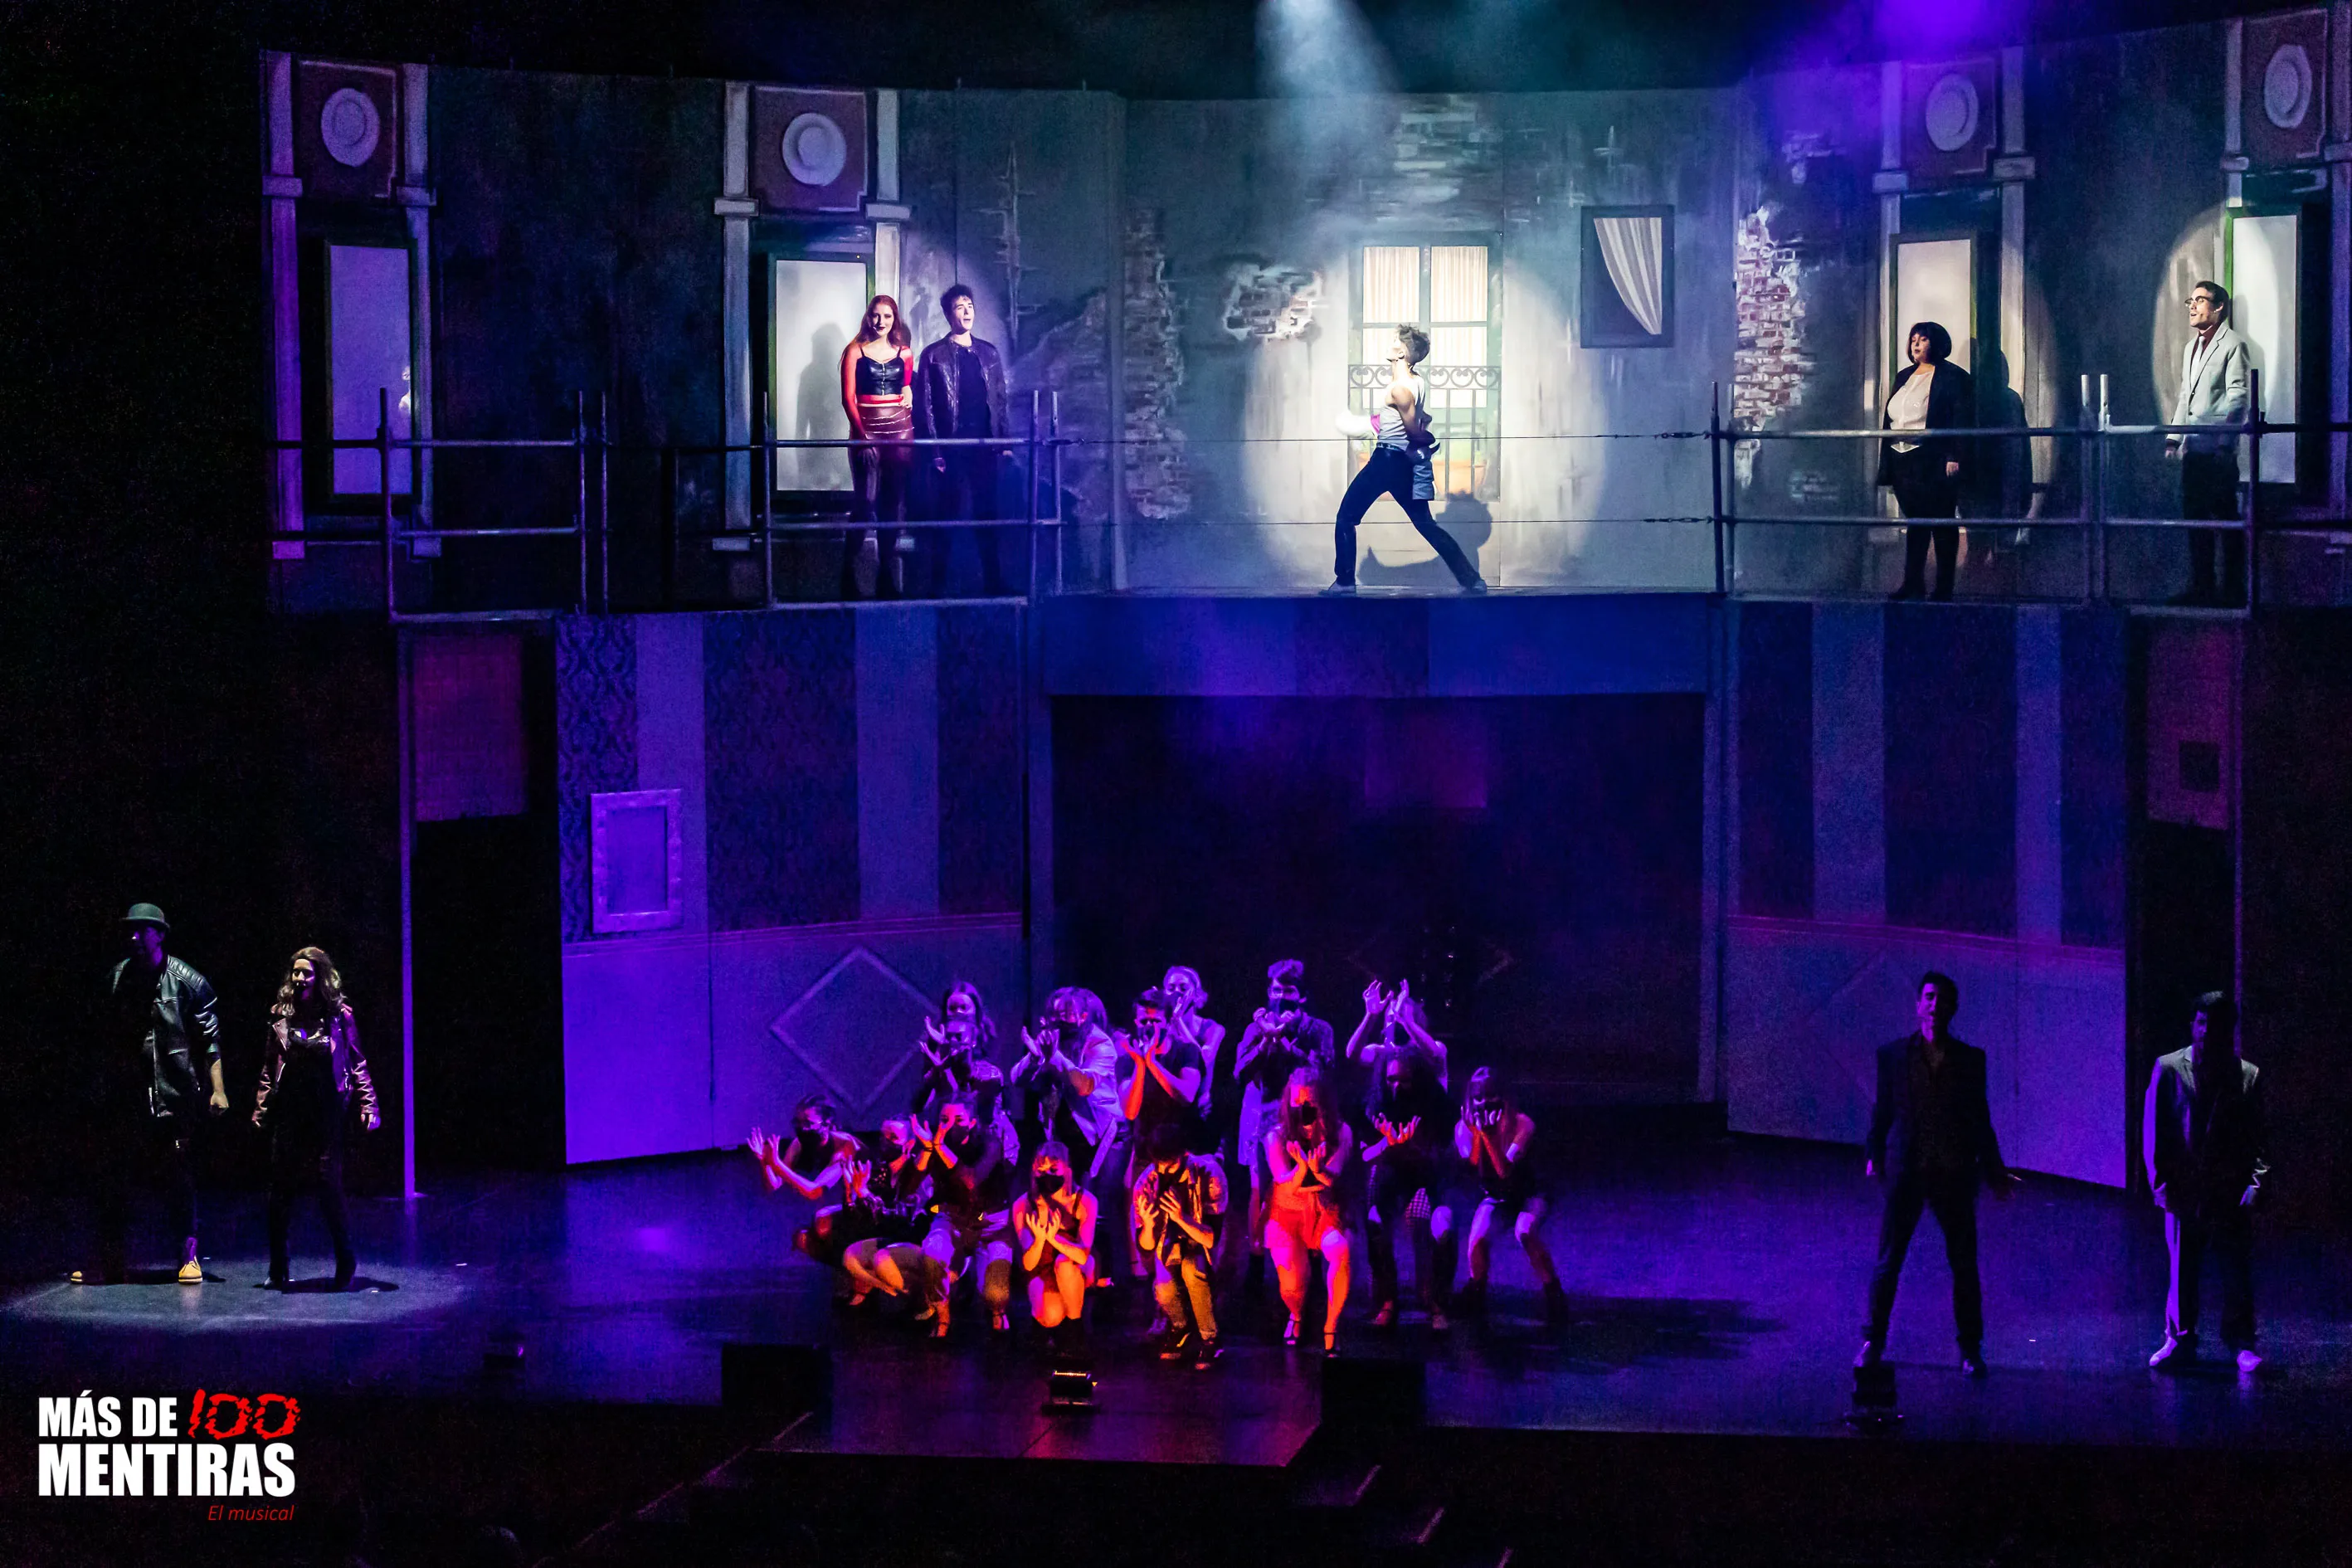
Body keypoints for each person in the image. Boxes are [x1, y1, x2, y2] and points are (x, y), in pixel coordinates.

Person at [1859, 971, 2019, 1376]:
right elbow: (1883, 1111)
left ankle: (1970, 1350)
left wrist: (1995, 1170)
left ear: (1953, 1008)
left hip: (1953, 1173)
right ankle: (1872, 1341)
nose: (1934, 1005)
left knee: (1964, 1265)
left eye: (1942, 999)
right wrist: (1874, 1152)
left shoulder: (1969, 1061)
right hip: (1908, 1173)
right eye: (1929, 997)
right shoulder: (1894, 1056)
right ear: (1918, 1005)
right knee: (1889, 1261)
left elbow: (1980, 1121)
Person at [77, 903, 227, 1286]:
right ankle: (110, 1261)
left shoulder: (187, 981)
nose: (133, 937)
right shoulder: (116, 979)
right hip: (125, 1096)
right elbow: (98, 1038)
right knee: (113, 1178)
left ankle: (188, 1255)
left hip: (173, 1097)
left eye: (142, 930)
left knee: (179, 1178)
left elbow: (210, 1040)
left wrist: (218, 1090)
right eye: (130, 930)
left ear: (159, 934)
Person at [2144, 991, 2267, 1374]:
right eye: (2201, 1023)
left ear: (2230, 1029)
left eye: (2215, 1025)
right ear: (2192, 1025)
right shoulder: (2168, 1068)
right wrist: (2161, 1185)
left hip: (2229, 1190)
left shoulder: (2247, 1076)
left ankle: (2242, 1343)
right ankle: (2179, 1339)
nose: (2206, 1031)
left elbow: (2259, 1138)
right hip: (2184, 1188)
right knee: (2182, 1269)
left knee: (2235, 1270)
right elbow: (2154, 1130)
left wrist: (2255, 1185)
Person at [254, 947, 379, 1291]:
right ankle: (278, 1267)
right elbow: (269, 1067)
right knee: (279, 1191)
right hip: (289, 1113)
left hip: (326, 1114)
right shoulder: (281, 1015)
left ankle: (346, 1261)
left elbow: (357, 1062)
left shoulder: (339, 1016)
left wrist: (369, 1105)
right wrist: (261, 1107)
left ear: (320, 977)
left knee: (328, 1186)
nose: (299, 979)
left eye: (306, 973)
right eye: (295, 972)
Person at [1328, 324, 1486, 595]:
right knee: (1426, 525)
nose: (1389, 344)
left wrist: (1424, 441)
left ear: (1401, 353)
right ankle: (1472, 580)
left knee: (1345, 518)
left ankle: (1344, 583)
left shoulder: (1399, 390)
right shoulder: (1417, 382)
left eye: (1394, 341)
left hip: (1387, 460)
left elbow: (1414, 428)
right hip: (1399, 462)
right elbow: (1422, 418)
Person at [1231, 960, 1336, 1295]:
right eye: (1275, 990)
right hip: (1263, 1118)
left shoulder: (1319, 1029)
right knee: (1261, 1190)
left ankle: (1314, 1265)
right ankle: (1256, 1264)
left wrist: (1285, 1041)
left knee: (1310, 1187)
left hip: (1305, 1117)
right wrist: (1266, 1040)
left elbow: (1322, 1070)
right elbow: (1239, 1073)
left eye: (1288, 991)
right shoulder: (1256, 1029)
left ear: (1301, 996)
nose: (1280, 997)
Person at [1010, 986, 1125, 1283]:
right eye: (1055, 1014)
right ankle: (1070, 1268)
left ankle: (1104, 1278)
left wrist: (1055, 1057)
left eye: (1068, 1014)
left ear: (1085, 1016)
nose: (1060, 1019)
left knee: (1097, 1203)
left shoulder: (1100, 1044)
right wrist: (1035, 1056)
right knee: (1066, 1203)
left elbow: (1084, 1085)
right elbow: (1017, 1078)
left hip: (1102, 1136)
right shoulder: (1051, 1041)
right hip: (1064, 1135)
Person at [914, 285, 1014, 598]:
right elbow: (925, 407)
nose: (967, 311)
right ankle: (938, 585)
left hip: (984, 447)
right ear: (948, 314)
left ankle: (994, 581)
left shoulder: (988, 353)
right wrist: (935, 450)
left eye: (970, 304)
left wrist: (1005, 442)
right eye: (960, 306)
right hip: (953, 447)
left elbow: (1000, 401)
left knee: (988, 514)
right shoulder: (934, 355)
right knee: (946, 514)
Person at [1449, 1065, 1564, 1322]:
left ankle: (1554, 1293)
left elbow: (1505, 1171)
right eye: (1478, 1098)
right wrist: (1478, 1135)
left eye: (1491, 1096)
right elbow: (1473, 1164)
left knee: (1525, 1230)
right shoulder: (1464, 1128)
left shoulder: (1523, 1124)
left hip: (1530, 1191)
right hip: (1497, 1195)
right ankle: (1476, 1294)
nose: (1484, 1103)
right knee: (1477, 1240)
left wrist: (1489, 1136)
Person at [2165, 280, 2253, 606]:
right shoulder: (2191, 348)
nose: (2192, 306)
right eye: (2191, 300)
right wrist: (2174, 438)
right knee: (2196, 520)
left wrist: (2225, 445)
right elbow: (2185, 397)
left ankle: (2233, 590)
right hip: (2194, 450)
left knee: (2226, 519)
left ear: (2218, 308)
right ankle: (2202, 587)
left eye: (2200, 300)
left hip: (2217, 452)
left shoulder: (2233, 345)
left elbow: (2238, 398)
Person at [1877, 321, 1976, 601]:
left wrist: (1955, 456)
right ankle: (1913, 583)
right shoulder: (1904, 376)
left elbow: (1961, 418)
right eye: (1913, 340)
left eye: (1923, 339)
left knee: (1942, 521)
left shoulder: (1953, 376)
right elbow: (1891, 417)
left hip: (1932, 457)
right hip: (1902, 458)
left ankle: (1944, 588)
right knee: (1915, 522)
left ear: (1937, 342)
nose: (1916, 344)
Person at [1361, 1044, 1458, 1329]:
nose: (1396, 1086)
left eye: (1404, 1080)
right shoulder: (1376, 1102)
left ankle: (1436, 1302)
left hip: (1426, 1173)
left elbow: (1443, 1153)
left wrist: (1413, 1146)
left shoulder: (1434, 1103)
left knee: (1436, 1225)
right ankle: (1388, 1300)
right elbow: (1365, 1155)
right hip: (1389, 1171)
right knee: (1375, 1221)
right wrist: (1388, 1144)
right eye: (1391, 1079)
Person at [1264, 1065, 1354, 1353]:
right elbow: (1285, 1183)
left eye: (1310, 1102)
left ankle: (1331, 1325)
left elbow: (1332, 1177)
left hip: (1324, 1209)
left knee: (1340, 1250)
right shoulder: (1276, 1135)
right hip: (1288, 1211)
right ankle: (1296, 1315)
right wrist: (1303, 1169)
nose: (1302, 1108)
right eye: (1297, 1101)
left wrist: (1318, 1170)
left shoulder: (1341, 1131)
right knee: (1292, 1286)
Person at [915, 1090, 1017, 1336]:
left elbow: (971, 1181)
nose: (949, 1126)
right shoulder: (935, 1143)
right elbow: (909, 1186)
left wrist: (940, 1147)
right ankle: (943, 1313)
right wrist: (928, 1150)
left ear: (972, 1123)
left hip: (990, 1223)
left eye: (958, 1120)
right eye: (944, 1120)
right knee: (932, 1252)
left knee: (995, 1294)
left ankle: (995, 1307)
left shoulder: (990, 1143)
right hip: (954, 1219)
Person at [1133, 1120, 1230, 1368]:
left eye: (1172, 1165)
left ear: (1184, 1155)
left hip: (1203, 1245)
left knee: (1192, 1268)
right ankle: (1180, 1328)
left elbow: (1211, 1239)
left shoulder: (1209, 1174)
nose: (1165, 1171)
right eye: (1160, 1165)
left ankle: (1210, 1337)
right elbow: (1145, 1247)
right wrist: (1148, 1225)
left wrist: (1181, 1218)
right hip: (1166, 1246)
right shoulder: (1146, 1183)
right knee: (1163, 1284)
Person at [840, 294, 917, 598]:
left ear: (894, 319)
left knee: (892, 503)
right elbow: (848, 399)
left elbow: (906, 385)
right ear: (868, 316)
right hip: (867, 430)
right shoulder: (854, 351)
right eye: (876, 315)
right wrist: (861, 436)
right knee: (865, 502)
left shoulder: (905, 352)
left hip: (900, 432)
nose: (880, 321)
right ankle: (848, 575)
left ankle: (886, 576)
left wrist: (908, 393)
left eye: (887, 316)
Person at [747, 1094, 865, 1273]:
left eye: (809, 1123)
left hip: (872, 1201)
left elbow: (814, 1192)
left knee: (823, 1222)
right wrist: (765, 1162)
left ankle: (855, 1267)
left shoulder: (845, 1146)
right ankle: (847, 1269)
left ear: (826, 1123)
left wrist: (776, 1164)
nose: (803, 1128)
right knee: (803, 1238)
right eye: (798, 1123)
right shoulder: (799, 1144)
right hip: (852, 1202)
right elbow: (773, 1185)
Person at [838, 1118, 939, 1310]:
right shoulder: (879, 1170)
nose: (885, 1142)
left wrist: (865, 1195)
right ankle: (885, 1290)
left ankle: (925, 1296)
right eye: (883, 1136)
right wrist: (850, 1193)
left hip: (917, 1242)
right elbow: (861, 1219)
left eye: (893, 1137)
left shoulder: (918, 1175)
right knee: (850, 1255)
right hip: (891, 1238)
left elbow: (900, 1219)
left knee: (880, 1258)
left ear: (909, 1144)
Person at [1014, 1140, 1098, 1344]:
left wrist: (1054, 1238)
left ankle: (1075, 1328)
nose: (1047, 1177)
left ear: (1067, 1170)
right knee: (1050, 1316)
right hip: (1041, 1266)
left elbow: (1082, 1255)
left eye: (1053, 1170)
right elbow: (1029, 1264)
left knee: (1064, 1263)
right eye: (1041, 1171)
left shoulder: (1085, 1201)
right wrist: (1040, 1239)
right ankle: (1055, 1319)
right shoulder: (1023, 1205)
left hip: (1074, 1265)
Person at [912, 980, 1001, 1118]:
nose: (958, 1012)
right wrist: (935, 1073)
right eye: (953, 1008)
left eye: (964, 1008)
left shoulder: (988, 1066)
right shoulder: (938, 1048)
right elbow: (918, 1107)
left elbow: (987, 1105)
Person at [1161, 965, 1228, 1153]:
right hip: (1168, 1110)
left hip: (1199, 1113)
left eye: (1183, 988)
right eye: (1171, 988)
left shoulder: (1212, 1028)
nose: (1177, 992)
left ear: (1196, 995)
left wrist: (1178, 1020)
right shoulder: (1163, 1027)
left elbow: (1204, 1060)